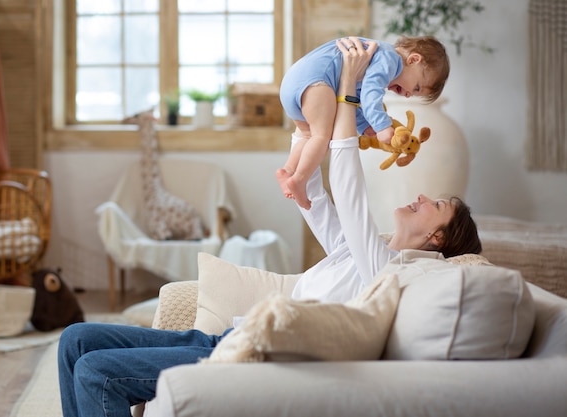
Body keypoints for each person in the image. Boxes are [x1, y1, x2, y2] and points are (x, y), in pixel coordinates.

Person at [58, 38, 480, 417]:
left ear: (437, 239)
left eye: (436, 205)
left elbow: (350, 198)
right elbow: (315, 199)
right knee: (75, 340)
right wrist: (305, 127)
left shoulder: (387, 272)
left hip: (246, 358)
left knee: (97, 372)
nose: (423, 198)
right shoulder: (361, 252)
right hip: (227, 336)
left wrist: (349, 94)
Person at [276, 35, 450, 210]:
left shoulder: (378, 58)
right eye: (416, 87)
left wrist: (365, 126)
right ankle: (299, 180)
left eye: (413, 94)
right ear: (413, 60)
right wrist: (381, 125)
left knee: (309, 135)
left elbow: (358, 98)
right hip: (315, 82)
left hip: (293, 82)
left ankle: (288, 171)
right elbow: (370, 93)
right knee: (322, 137)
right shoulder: (390, 59)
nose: (408, 94)